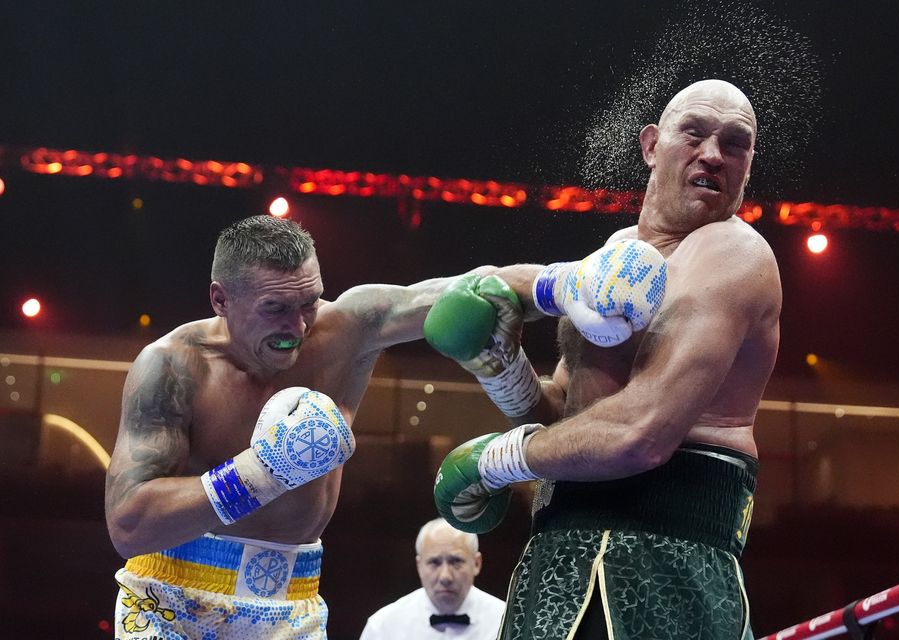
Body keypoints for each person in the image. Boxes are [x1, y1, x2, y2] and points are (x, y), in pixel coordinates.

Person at [429, 79, 781, 639]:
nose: (713, 154)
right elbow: (565, 419)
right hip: (556, 556)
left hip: (671, 558)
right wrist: (500, 367)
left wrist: (491, 461)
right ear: (650, 146)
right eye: (694, 133)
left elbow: (641, 432)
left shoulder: (733, 253)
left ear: (747, 166)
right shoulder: (615, 257)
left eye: (735, 143)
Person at [104, 214, 508, 640]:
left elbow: (480, 289)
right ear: (221, 300)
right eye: (276, 308)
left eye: (309, 303)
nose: (297, 328)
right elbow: (129, 526)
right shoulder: (173, 366)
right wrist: (263, 472)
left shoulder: (349, 329)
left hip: (292, 604)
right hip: (171, 603)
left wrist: (560, 285)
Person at [359, 518, 506, 639]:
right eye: (434, 562)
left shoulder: (507, 621)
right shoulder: (383, 627)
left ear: (476, 563)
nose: (445, 577)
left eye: (456, 561)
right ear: (419, 566)